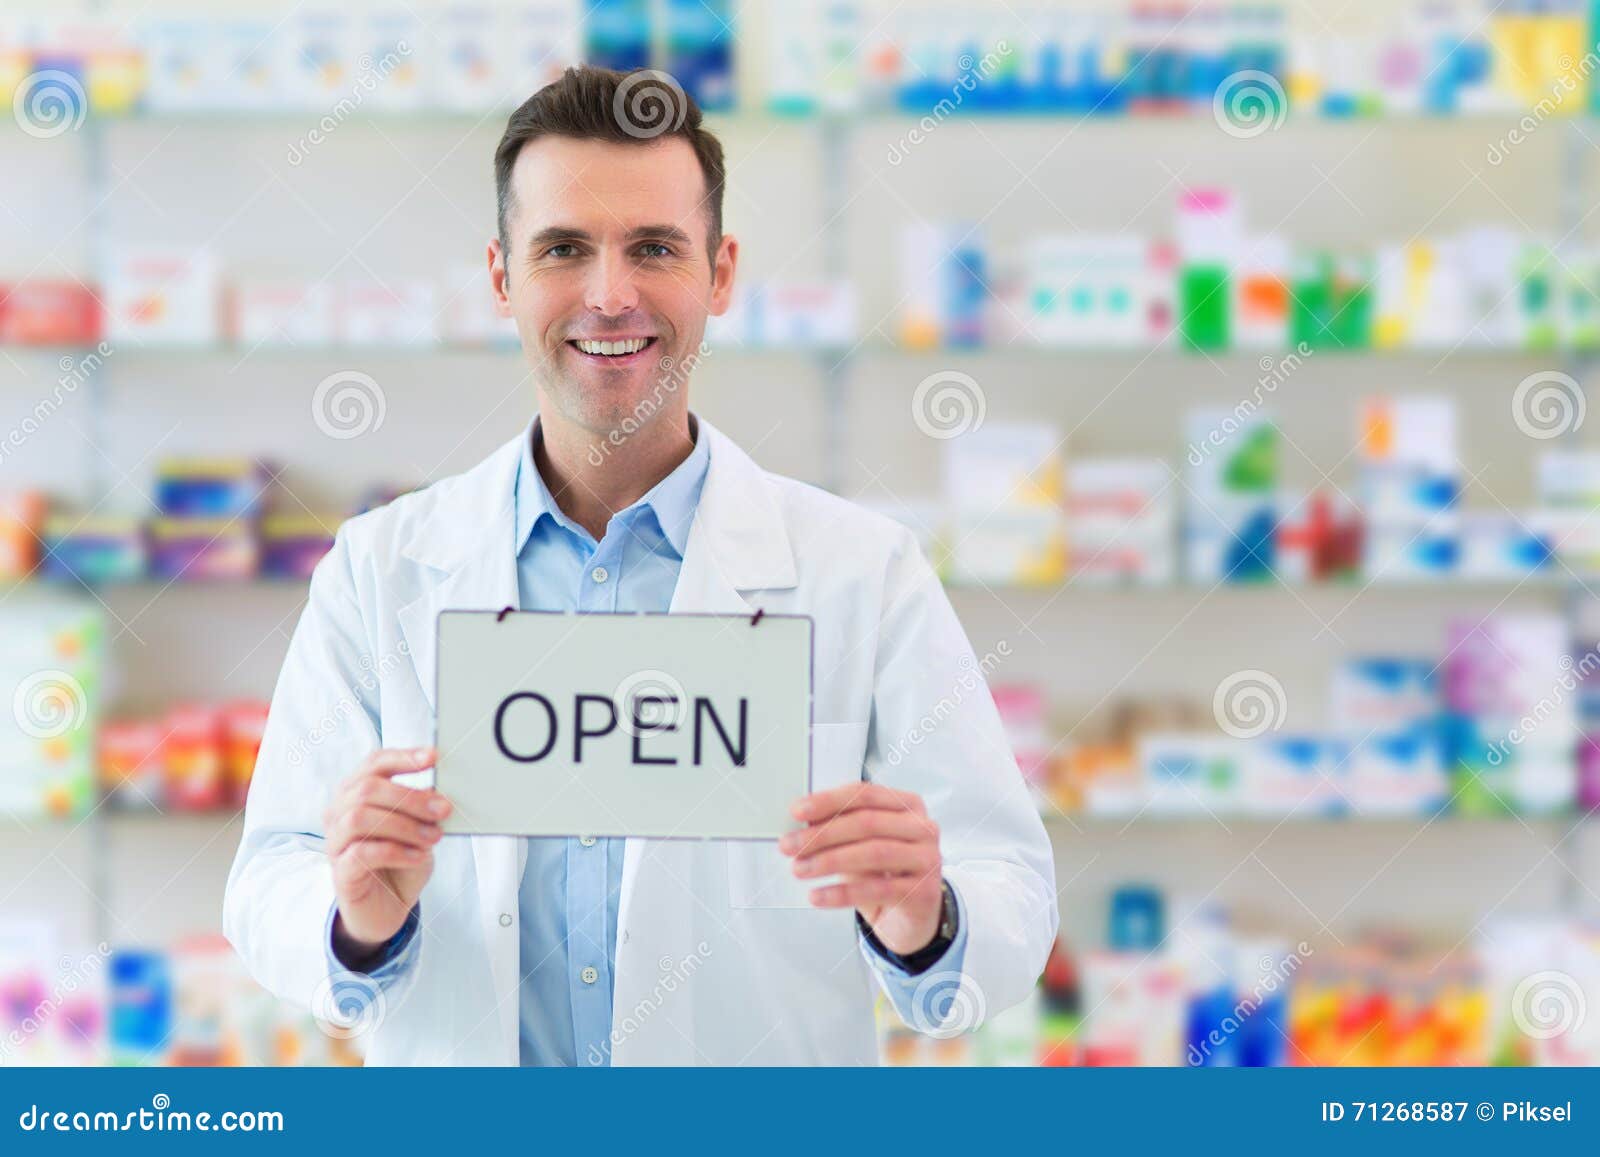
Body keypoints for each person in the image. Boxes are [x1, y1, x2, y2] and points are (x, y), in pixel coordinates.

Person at [224, 65, 1056, 1066]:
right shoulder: (380, 569)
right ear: (502, 276)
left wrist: (926, 916)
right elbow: (269, 875)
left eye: (654, 248)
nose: (609, 295)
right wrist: (355, 915)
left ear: (720, 271)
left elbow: (1007, 881)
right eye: (563, 248)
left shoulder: (861, 574)